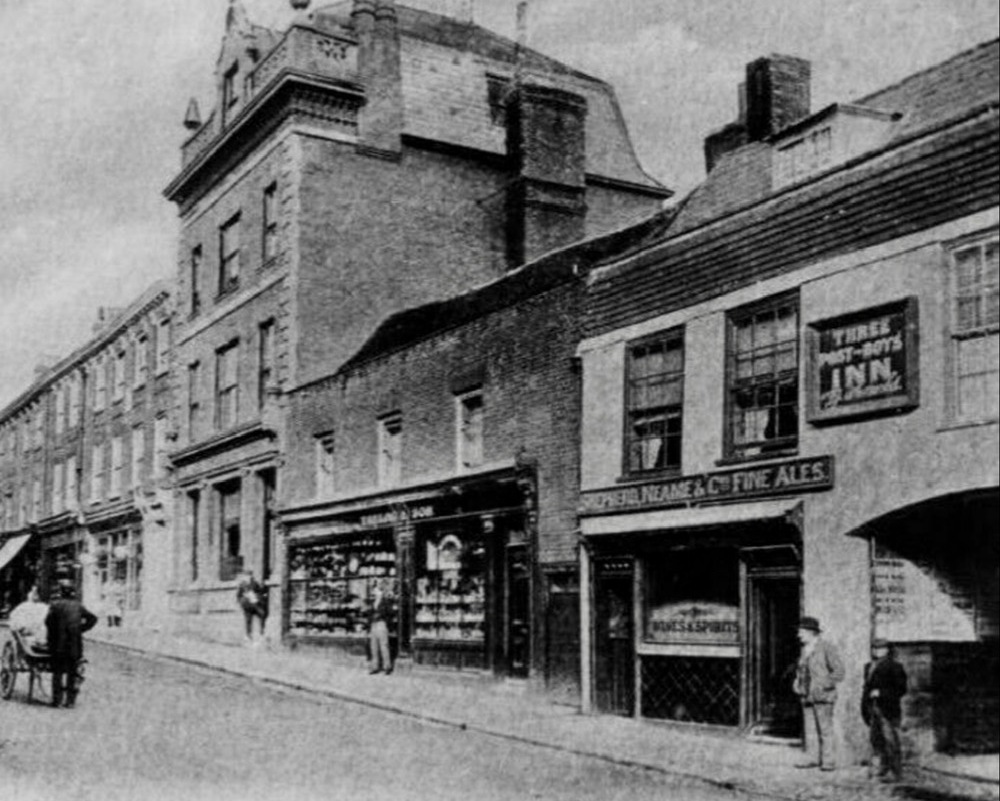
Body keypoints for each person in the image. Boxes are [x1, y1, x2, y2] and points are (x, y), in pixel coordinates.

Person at [792, 616, 845, 771]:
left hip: (823, 696)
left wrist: (823, 685)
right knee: (810, 731)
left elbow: (839, 672)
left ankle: (828, 762)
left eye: (801, 632)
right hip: (806, 695)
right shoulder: (804, 650)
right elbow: (802, 670)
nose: (798, 635)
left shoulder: (826, 647)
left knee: (825, 730)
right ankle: (812, 759)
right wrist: (797, 681)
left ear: (811, 632)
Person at [45, 581, 97, 709]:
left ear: (61, 592)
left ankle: (56, 701)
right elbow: (93, 619)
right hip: (74, 644)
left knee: (57, 672)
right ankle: (70, 701)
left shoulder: (55, 605)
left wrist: (52, 636)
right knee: (72, 672)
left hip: (58, 645)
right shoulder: (78, 606)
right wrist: (80, 629)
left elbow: (48, 622)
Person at [862, 639, 908, 783]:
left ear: (887, 650)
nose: (877, 651)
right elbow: (866, 689)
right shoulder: (869, 666)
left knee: (891, 741)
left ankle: (896, 773)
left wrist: (881, 693)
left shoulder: (895, 666)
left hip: (888, 709)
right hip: (873, 709)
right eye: (874, 648)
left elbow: (901, 689)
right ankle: (880, 769)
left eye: (880, 648)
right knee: (876, 741)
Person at [9, 585, 50, 655]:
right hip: (37, 637)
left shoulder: (45, 607)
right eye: (33, 591)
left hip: (35, 637)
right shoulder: (46, 607)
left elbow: (15, 623)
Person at [236, 570, 268, 645]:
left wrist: (257, 597)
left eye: (249, 575)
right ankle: (248, 636)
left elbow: (261, 592)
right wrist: (242, 600)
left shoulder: (255, 584)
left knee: (262, 615)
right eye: (246, 575)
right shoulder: (242, 585)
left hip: (255, 604)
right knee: (248, 620)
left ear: (251, 576)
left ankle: (261, 634)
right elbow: (238, 596)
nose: (247, 577)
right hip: (247, 605)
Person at [367, 584, 393, 675]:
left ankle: (387, 667)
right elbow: (369, 613)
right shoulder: (373, 602)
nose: (375, 592)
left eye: (377, 591)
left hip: (381, 624)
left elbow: (389, 613)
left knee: (383, 646)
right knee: (373, 647)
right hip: (373, 624)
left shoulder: (385, 602)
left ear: (381, 592)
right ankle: (375, 666)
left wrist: (381, 616)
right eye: (374, 591)